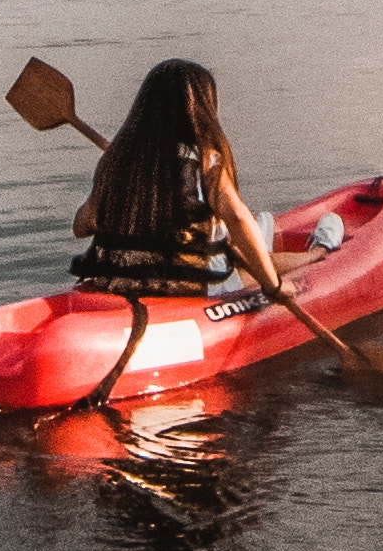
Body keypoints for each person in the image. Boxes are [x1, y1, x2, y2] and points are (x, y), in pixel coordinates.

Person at [68, 56, 356, 352]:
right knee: (246, 265)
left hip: (119, 282)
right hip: (190, 287)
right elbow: (240, 220)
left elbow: (83, 225)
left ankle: (315, 252)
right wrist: (273, 286)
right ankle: (319, 253)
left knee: (240, 256)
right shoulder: (207, 162)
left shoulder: (115, 162)